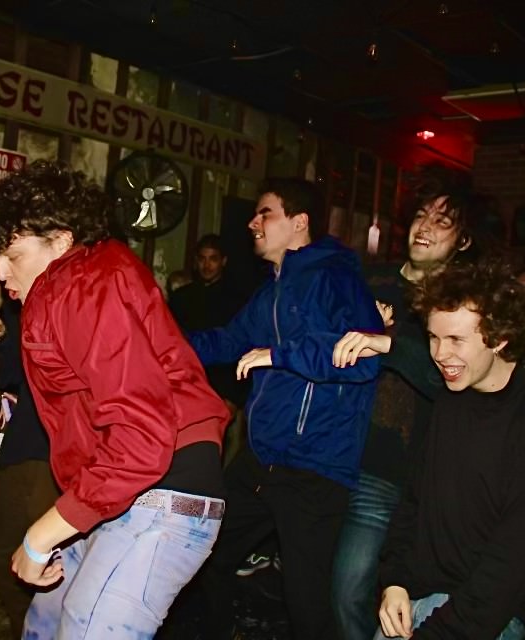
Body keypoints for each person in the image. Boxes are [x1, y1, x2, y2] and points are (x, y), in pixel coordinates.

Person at [0, 160, 230, 638]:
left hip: (160, 487)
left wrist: (41, 535)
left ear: (61, 241)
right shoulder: (76, 283)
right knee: (43, 626)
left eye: (13, 254)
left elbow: (140, 435)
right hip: (121, 488)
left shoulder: (81, 284)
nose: (1, 271)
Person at [187, 177, 382, 640]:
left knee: (307, 605)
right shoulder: (271, 291)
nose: (252, 223)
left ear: (299, 222)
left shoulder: (335, 278)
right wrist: (163, 345)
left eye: (265, 213)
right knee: (205, 552)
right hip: (261, 460)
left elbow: (365, 358)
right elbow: (229, 340)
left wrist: (279, 355)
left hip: (313, 469)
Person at [328, 165, 499, 640]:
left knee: (351, 587)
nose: (425, 226)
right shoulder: (370, 281)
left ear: (463, 239)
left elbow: (448, 380)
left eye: (442, 221)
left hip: (391, 468)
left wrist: (390, 340)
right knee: (321, 581)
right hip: (333, 451)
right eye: (422, 215)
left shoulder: (459, 304)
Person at [375, 257, 525, 640]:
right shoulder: (450, 399)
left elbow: (509, 562)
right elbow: (414, 500)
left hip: (510, 608)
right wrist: (394, 581)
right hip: (437, 588)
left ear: (499, 337)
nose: (440, 353)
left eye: (456, 340)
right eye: (433, 337)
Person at [0, 283, 59, 633]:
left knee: (52, 560)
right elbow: (9, 373)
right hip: (22, 439)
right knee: (2, 554)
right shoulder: (19, 304)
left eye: (12, 259)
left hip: (57, 450)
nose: (3, 273)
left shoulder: (75, 297)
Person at [169, 233, 250, 467]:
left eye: (213, 259)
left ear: (223, 261)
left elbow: (241, 350)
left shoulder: (237, 302)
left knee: (213, 456)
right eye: (202, 259)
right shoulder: (181, 298)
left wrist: (232, 397)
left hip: (220, 388)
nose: (207, 265)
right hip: (183, 386)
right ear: (195, 261)